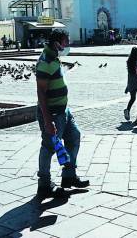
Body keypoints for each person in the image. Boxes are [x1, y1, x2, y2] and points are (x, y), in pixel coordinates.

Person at [35, 29, 89, 198]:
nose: (67, 45)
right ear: (57, 42)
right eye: (65, 41)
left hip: (63, 111)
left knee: (74, 136)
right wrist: (47, 120)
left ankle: (69, 176)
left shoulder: (53, 58)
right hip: (52, 114)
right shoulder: (45, 61)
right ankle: (44, 184)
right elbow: (41, 93)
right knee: (48, 147)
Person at [124, 47, 137, 123]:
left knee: (132, 98)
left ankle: (127, 109)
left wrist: (127, 85)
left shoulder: (129, 61)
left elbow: (129, 74)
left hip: (131, 82)